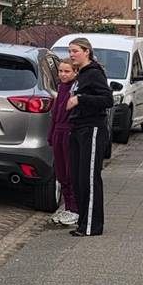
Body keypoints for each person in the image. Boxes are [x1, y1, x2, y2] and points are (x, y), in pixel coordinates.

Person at [65, 37, 112, 237]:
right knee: (78, 178)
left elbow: (107, 99)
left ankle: (92, 226)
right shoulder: (81, 74)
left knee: (89, 178)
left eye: (75, 51)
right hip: (77, 128)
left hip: (91, 128)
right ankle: (83, 222)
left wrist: (80, 99)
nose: (71, 55)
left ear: (87, 52)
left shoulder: (94, 73)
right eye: (70, 51)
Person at [46, 60, 80, 227]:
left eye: (67, 71)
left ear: (75, 73)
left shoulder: (75, 89)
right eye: (60, 71)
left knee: (69, 171)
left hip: (68, 132)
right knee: (60, 173)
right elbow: (55, 114)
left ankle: (75, 209)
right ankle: (67, 207)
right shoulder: (60, 88)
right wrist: (51, 134)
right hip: (58, 132)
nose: (63, 74)